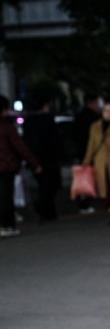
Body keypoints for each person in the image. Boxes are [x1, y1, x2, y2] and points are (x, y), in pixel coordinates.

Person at [0, 95, 43, 238]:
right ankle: (7, 225)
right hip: (6, 166)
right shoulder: (6, 127)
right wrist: (34, 164)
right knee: (6, 197)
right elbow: (20, 147)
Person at [22, 99, 68, 222]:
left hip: (35, 158)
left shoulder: (28, 123)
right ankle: (47, 210)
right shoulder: (48, 120)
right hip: (50, 157)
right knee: (52, 185)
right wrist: (63, 155)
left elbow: (26, 142)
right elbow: (56, 139)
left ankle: (47, 211)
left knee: (43, 185)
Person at [72, 93, 102, 214]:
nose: (98, 105)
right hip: (92, 151)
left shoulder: (79, 116)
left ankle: (84, 202)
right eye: (96, 103)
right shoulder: (94, 118)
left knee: (85, 177)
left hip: (81, 150)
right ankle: (85, 203)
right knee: (89, 177)